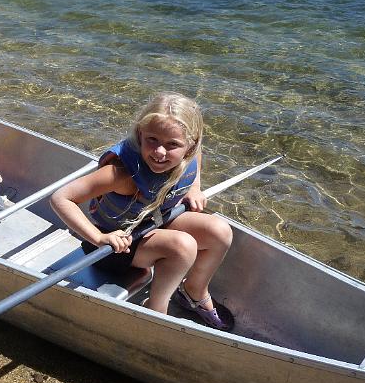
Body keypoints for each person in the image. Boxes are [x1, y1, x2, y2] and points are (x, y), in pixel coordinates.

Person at [50, 92, 234, 330]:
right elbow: (61, 197)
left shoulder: (188, 150)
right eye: (152, 140)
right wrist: (99, 238)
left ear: (190, 144)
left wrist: (195, 187)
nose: (159, 152)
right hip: (115, 247)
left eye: (172, 145)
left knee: (220, 231)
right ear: (140, 135)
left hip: (155, 223)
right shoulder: (122, 174)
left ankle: (193, 292)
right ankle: (155, 311)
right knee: (183, 246)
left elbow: (196, 156)